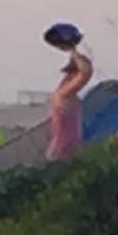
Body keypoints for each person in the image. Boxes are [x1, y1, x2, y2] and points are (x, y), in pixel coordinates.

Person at [43, 22, 93, 162]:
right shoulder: (63, 92)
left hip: (63, 149)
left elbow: (85, 72)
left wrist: (73, 50)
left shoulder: (65, 93)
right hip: (63, 146)